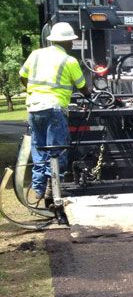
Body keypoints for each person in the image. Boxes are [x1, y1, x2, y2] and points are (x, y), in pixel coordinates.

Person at [19, 22, 91, 203]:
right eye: (72, 41)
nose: (73, 44)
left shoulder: (35, 54)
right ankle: (54, 188)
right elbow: (83, 87)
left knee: (39, 148)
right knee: (57, 150)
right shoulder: (69, 61)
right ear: (66, 42)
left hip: (34, 107)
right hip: (54, 109)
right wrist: (91, 97)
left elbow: (22, 75)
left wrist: (32, 92)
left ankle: (38, 188)